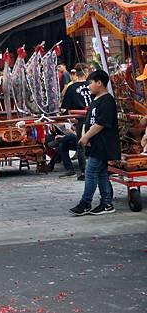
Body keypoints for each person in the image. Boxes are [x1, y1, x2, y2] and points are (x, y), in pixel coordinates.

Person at [70, 70, 120, 216]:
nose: (89, 86)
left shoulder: (107, 101)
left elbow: (100, 123)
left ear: (100, 83)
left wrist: (86, 137)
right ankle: (106, 203)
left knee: (91, 172)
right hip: (95, 143)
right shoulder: (95, 100)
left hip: (104, 143)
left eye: (91, 83)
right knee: (102, 173)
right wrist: (85, 134)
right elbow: (88, 121)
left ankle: (85, 203)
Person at [60, 63, 93, 180]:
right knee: (98, 143)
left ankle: (84, 171)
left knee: (81, 145)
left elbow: (66, 109)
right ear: (85, 72)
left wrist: (72, 118)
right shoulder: (92, 85)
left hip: (81, 120)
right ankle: (105, 168)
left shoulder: (71, 88)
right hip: (95, 119)